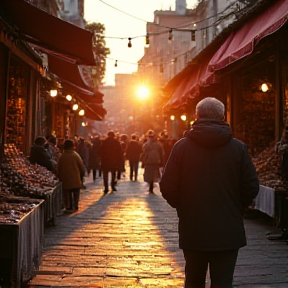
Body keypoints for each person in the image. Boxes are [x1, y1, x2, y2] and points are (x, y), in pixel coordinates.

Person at [159, 97, 259, 288]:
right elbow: (251, 186)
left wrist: (184, 206)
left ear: (196, 116)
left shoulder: (181, 147)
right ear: (223, 116)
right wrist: (236, 207)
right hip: (228, 229)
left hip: (194, 227)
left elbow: (167, 186)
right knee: (223, 282)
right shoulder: (238, 148)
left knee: (194, 280)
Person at [57, 139, 86, 212]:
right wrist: (82, 174)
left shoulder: (62, 156)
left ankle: (68, 206)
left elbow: (58, 168)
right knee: (76, 193)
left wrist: (59, 176)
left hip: (66, 178)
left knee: (67, 193)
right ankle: (75, 206)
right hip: (75, 178)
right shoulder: (75, 155)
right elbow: (81, 166)